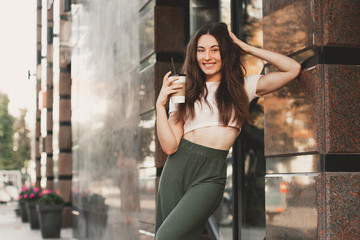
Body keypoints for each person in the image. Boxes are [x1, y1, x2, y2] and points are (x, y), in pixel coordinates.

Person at [155, 22, 301, 240]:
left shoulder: (244, 87)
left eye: (215, 49)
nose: (207, 57)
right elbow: (170, 146)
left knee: (165, 237)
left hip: (210, 176)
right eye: (201, 50)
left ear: (226, 52)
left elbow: (292, 69)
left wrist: (248, 48)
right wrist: (160, 105)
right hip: (176, 171)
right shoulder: (184, 89)